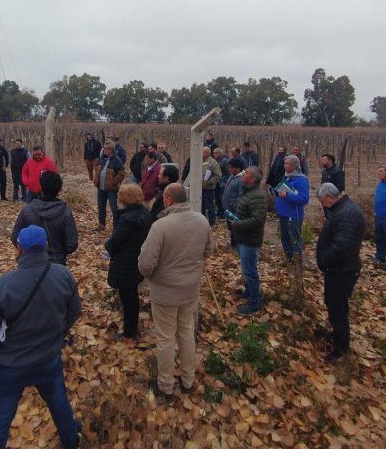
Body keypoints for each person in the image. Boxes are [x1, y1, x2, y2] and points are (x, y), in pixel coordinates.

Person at [0, 226, 82, 449]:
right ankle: (71, 440)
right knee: (58, 402)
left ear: (18, 249)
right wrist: (58, 336)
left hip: (9, 364)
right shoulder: (63, 275)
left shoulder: (3, 285)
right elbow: (74, 311)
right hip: (48, 358)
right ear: (45, 246)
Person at [138, 184, 214, 398]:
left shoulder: (161, 226)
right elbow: (208, 250)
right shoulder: (202, 221)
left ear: (169, 200)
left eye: (164, 199)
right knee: (186, 333)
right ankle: (188, 380)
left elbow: (145, 263)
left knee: (165, 338)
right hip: (190, 290)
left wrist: (153, 277)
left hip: (165, 293)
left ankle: (165, 385)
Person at [315, 183, 365, 363]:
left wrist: (324, 261)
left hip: (342, 270)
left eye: (323, 201)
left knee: (338, 309)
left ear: (330, 196)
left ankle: (339, 348)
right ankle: (336, 334)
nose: (322, 205)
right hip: (338, 268)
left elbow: (341, 247)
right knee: (333, 304)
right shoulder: (342, 209)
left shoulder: (346, 215)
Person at [105, 184, 153, 340]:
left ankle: (129, 331)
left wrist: (107, 246)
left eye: (121, 196)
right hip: (137, 260)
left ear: (126, 199)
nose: (118, 198)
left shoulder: (126, 220)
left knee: (128, 298)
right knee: (132, 295)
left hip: (125, 263)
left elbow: (115, 241)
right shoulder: (144, 213)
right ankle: (132, 327)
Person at [10, 171, 79, 266]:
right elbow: (71, 244)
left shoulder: (27, 210)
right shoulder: (65, 213)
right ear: (59, 190)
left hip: (30, 263)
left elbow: (15, 237)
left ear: (41, 188)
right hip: (57, 263)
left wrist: (27, 250)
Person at [230, 166, 267, 315]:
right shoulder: (249, 192)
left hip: (249, 241)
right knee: (247, 270)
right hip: (243, 238)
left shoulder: (257, 196)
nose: (242, 175)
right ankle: (249, 292)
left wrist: (238, 224)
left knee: (250, 272)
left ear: (252, 179)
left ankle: (254, 304)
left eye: (245, 173)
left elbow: (258, 220)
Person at [274, 155, 310, 265]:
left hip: (293, 215)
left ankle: (297, 263)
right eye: (284, 163)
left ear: (294, 166)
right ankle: (289, 259)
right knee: (284, 238)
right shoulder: (287, 177)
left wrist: (287, 196)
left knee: (294, 239)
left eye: (287, 164)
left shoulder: (301, 180)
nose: (284, 166)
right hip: (283, 213)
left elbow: (304, 198)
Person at [94, 143, 126, 230]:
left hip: (111, 189)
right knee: (101, 206)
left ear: (110, 150)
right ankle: (102, 224)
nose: (103, 149)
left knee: (114, 208)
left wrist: (114, 182)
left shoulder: (117, 160)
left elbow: (122, 173)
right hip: (101, 188)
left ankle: (116, 226)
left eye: (105, 148)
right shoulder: (102, 158)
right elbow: (97, 168)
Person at [222, 159, 245, 249]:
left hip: (234, 210)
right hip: (229, 209)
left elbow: (241, 195)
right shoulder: (232, 176)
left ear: (238, 168)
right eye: (229, 167)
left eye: (232, 167)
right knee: (231, 228)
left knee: (236, 228)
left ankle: (237, 246)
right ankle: (233, 244)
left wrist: (234, 206)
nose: (229, 169)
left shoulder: (241, 179)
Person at [201, 146, 222, 226]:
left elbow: (218, 175)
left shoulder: (213, 163)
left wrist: (209, 182)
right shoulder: (200, 161)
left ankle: (212, 221)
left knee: (209, 205)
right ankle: (202, 220)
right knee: (201, 205)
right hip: (200, 188)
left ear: (207, 153)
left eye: (203, 152)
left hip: (208, 188)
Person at [320, 154, 345, 220]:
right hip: (324, 199)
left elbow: (340, 187)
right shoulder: (324, 171)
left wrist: (331, 196)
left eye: (324, 160)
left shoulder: (338, 172)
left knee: (333, 218)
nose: (322, 161)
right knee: (327, 218)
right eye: (322, 160)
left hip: (333, 200)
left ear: (330, 161)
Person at [213, 148, 230, 218]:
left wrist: (226, 182)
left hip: (222, 183)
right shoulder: (216, 161)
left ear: (220, 153)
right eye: (214, 153)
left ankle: (223, 213)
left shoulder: (225, 161)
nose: (214, 155)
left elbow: (228, 172)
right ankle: (219, 212)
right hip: (217, 182)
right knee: (217, 198)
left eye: (216, 153)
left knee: (221, 198)